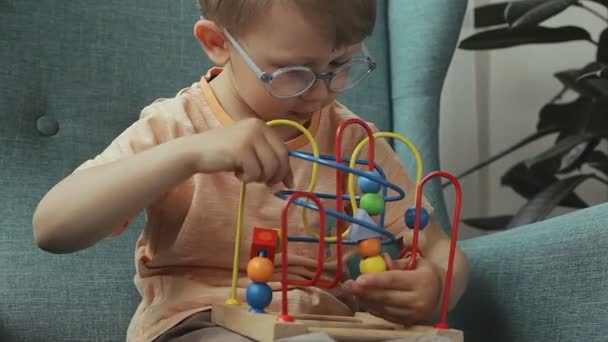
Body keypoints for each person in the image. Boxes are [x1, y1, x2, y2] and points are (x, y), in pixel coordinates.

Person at [32, 1, 469, 341]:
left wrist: (435, 287)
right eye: (292, 71)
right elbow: (52, 228)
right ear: (218, 42)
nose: (320, 92)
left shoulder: (353, 140)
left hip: (326, 327)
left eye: (340, 66)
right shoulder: (178, 128)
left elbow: (436, 247)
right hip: (200, 324)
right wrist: (190, 154)